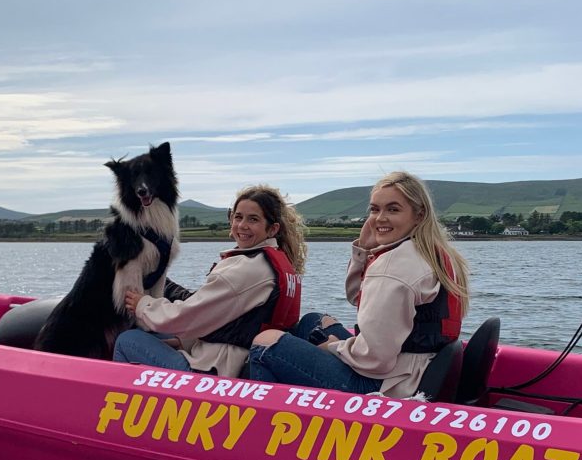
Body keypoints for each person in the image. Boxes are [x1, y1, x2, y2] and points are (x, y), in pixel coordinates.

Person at [248, 170, 469, 397]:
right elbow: (358, 298)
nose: (380, 218)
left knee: (265, 344)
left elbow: (375, 359)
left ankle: (269, 421)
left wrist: (333, 348)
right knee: (313, 322)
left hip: (387, 385)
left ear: (419, 215)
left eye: (393, 209)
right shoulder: (432, 253)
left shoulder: (394, 267)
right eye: (375, 209)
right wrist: (363, 250)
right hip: (417, 368)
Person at [113, 184, 307, 377]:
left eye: (253, 219)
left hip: (214, 372)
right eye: (238, 217)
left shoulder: (248, 268)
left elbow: (186, 316)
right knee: (162, 335)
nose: (242, 225)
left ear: (272, 229)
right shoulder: (277, 265)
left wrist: (142, 304)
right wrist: (184, 342)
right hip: (236, 360)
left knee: (128, 339)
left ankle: (117, 401)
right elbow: (232, 323)